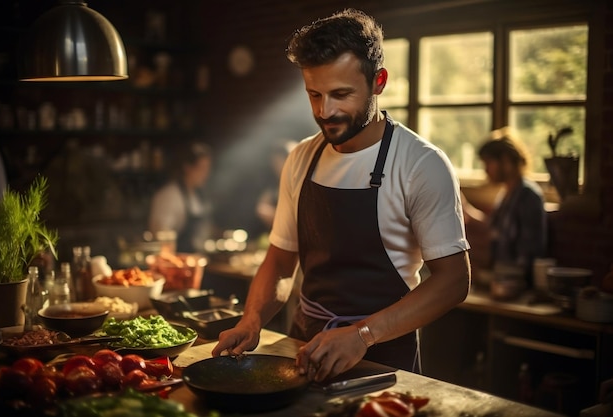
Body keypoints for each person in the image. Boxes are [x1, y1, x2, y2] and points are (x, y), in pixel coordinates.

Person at [212, 8, 471, 381]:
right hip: (303, 350)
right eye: (314, 94)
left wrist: (363, 335)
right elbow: (281, 262)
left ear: (378, 81)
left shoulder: (420, 163)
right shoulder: (302, 157)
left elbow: (454, 281)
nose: (324, 110)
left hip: (385, 361)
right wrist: (252, 320)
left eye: (341, 94)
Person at [463, 128, 547, 286]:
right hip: (501, 275)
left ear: (506, 160)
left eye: (489, 163)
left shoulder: (529, 196)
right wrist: (465, 210)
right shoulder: (507, 194)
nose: (486, 170)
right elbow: (493, 228)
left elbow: (528, 255)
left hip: (515, 281)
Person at [148, 142, 213, 253]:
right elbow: (160, 235)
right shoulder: (169, 196)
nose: (205, 174)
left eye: (207, 169)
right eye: (201, 168)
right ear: (187, 168)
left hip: (197, 258)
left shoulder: (199, 195)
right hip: (178, 262)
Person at [255, 139, 296, 230]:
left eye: (278, 162)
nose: (275, 167)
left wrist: (277, 217)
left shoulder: (300, 184)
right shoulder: (275, 184)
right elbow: (262, 207)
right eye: (274, 163)